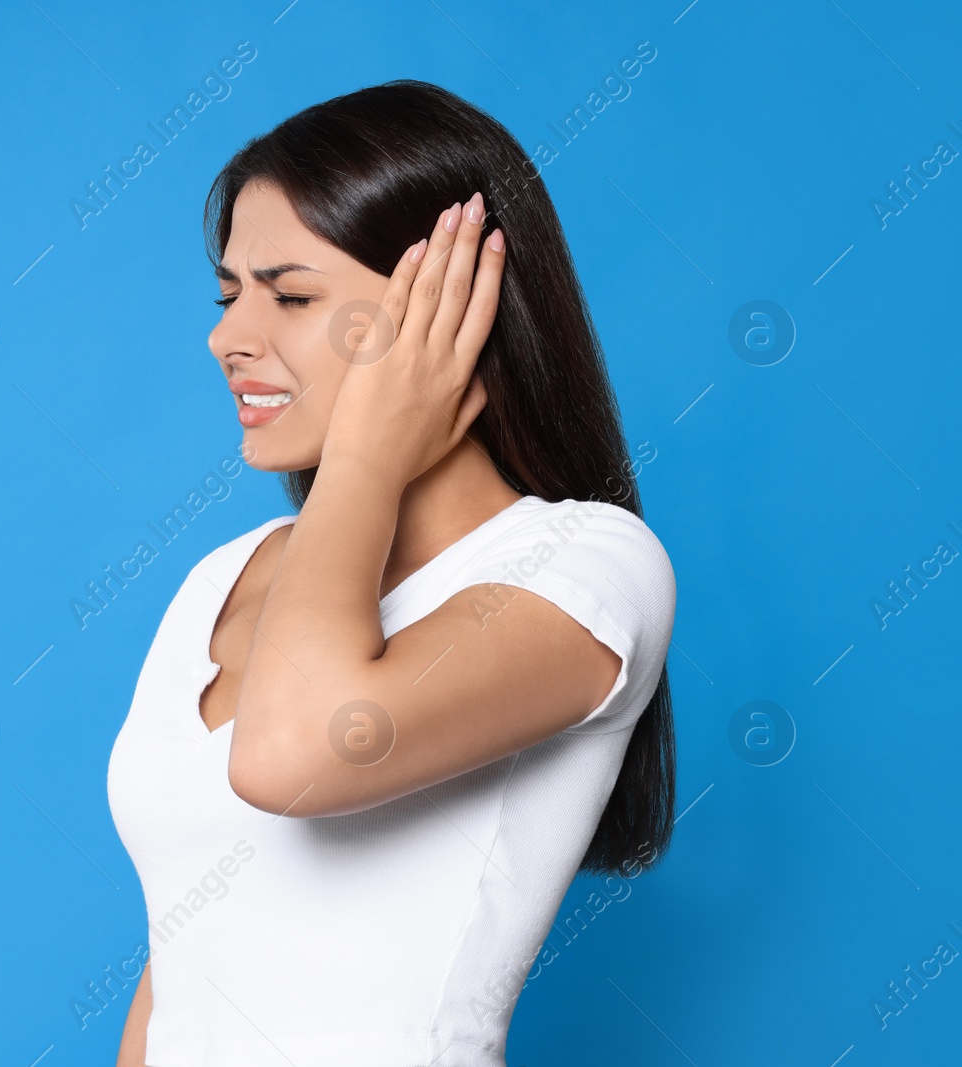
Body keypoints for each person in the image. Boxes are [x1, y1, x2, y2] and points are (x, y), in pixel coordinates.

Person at [106, 80, 678, 1066]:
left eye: (289, 295)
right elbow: (182, 966)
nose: (228, 337)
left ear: (457, 306)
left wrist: (368, 454)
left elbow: (290, 757)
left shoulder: (586, 562)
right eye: (228, 293)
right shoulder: (221, 577)